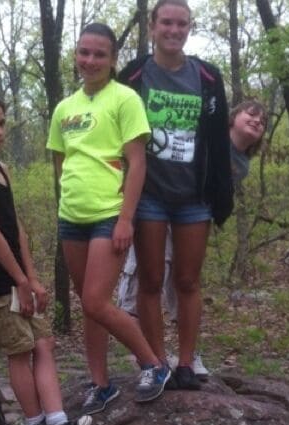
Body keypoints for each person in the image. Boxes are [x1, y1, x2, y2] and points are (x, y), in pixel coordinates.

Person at [0, 90, 110, 425]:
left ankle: (57, 424)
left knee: (44, 344)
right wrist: (18, 281)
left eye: (2, 123)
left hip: (16, 277)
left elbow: (16, 229)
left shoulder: (1, 168)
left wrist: (32, 277)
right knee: (21, 351)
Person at [47, 22, 172, 416]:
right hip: (72, 218)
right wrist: (68, 200)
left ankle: (153, 363)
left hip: (108, 216)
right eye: (84, 52)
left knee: (97, 301)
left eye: (99, 54)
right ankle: (100, 384)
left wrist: (125, 219)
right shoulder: (65, 109)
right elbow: (60, 162)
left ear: (113, 59)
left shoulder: (125, 99)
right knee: (89, 305)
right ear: (76, 55)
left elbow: (137, 163)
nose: (90, 60)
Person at [119, 0, 233, 391]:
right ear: (152, 26)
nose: (174, 29)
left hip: (193, 197)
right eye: (166, 22)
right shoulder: (133, 75)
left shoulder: (206, 76)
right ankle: (155, 363)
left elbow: (218, 140)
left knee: (187, 280)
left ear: (190, 28)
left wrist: (222, 194)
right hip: (148, 193)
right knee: (150, 280)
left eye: (181, 23)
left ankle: (186, 362)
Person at [115, 98, 268, 381]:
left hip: (192, 218)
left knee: (184, 282)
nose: (257, 121)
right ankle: (147, 354)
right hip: (159, 205)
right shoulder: (208, 134)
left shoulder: (242, 164)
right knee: (146, 276)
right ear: (232, 117)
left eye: (263, 121)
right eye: (251, 114)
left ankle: (187, 353)